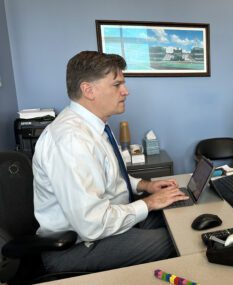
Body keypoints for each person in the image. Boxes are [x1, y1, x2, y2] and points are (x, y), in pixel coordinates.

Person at [32, 51, 189, 273]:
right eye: (117, 85)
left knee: (185, 218)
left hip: (111, 222)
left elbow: (108, 177)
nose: (126, 91)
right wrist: (149, 202)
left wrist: (145, 186)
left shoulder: (97, 127)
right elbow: (92, 224)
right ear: (88, 90)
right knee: (184, 241)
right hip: (79, 246)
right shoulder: (70, 140)